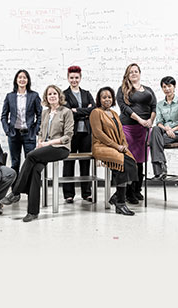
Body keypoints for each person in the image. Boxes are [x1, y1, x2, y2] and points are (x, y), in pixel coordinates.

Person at [1, 85, 74, 222]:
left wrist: (47, 144)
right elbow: (40, 132)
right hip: (45, 148)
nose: (52, 96)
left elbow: (68, 136)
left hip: (61, 148)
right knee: (35, 170)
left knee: (30, 156)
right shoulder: (45, 113)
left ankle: (16, 192)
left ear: (59, 96)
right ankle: (32, 212)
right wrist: (40, 141)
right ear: (46, 98)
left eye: (54, 94)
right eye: (49, 94)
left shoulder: (66, 112)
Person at [90, 87, 138, 215]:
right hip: (101, 146)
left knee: (132, 164)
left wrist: (124, 144)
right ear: (99, 100)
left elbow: (121, 133)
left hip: (117, 146)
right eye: (104, 97)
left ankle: (117, 197)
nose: (107, 99)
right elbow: (98, 134)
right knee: (122, 164)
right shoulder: (96, 112)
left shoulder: (115, 113)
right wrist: (117, 147)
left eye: (109, 97)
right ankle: (121, 203)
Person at [116, 63, 156, 204]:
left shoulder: (149, 90)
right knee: (130, 160)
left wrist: (150, 120)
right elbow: (124, 108)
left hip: (144, 128)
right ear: (127, 75)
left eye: (136, 71)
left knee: (141, 160)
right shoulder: (122, 90)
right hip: (128, 127)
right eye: (130, 72)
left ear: (140, 73)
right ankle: (129, 192)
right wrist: (140, 120)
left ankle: (137, 190)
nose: (133, 74)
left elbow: (154, 107)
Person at [0, 69, 42, 202]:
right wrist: (7, 130)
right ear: (16, 80)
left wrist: (35, 130)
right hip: (14, 134)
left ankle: (31, 191)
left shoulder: (34, 96)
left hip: (29, 134)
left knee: (31, 163)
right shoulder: (10, 96)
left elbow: (40, 114)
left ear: (28, 80)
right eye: (19, 77)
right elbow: (3, 116)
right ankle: (15, 193)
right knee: (15, 163)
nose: (22, 80)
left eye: (24, 77)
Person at [62, 65, 95, 203]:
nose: (74, 80)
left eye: (76, 77)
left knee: (85, 162)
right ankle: (68, 194)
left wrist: (77, 111)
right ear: (68, 78)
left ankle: (86, 193)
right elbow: (68, 111)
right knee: (69, 162)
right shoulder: (64, 94)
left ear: (80, 78)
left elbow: (93, 108)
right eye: (72, 78)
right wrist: (84, 111)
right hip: (72, 133)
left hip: (86, 132)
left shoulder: (86, 93)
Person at [149, 76, 178, 179]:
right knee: (155, 129)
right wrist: (166, 129)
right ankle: (161, 169)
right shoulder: (159, 105)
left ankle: (159, 171)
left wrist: (172, 130)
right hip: (164, 132)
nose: (167, 89)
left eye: (169, 86)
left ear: (174, 86)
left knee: (154, 141)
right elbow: (159, 122)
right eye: (164, 87)